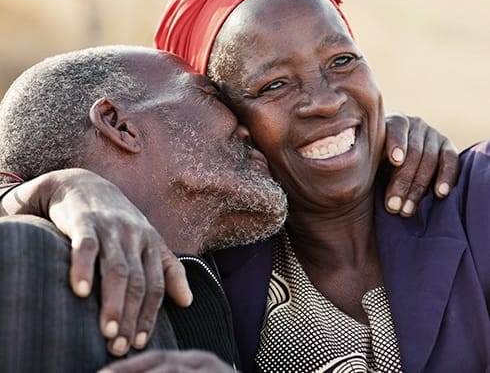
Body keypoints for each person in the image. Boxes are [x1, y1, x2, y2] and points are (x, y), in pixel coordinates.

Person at [153, 0, 490, 372]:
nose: (325, 101)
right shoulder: (204, 271)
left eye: (342, 60)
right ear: (225, 118)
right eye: (275, 84)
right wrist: (66, 188)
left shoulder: (473, 199)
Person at [0, 45, 288, 372]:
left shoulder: (220, 287)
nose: (247, 126)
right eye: (210, 95)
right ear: (118, 124)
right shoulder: (26, 253)